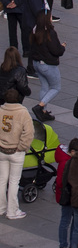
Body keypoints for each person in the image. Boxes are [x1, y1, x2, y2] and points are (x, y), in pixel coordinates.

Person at [0, 87, 33, 219]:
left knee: (2, 180)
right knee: (14, 181)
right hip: (16, 152)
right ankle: (12, 211)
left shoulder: (1, 110)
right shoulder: (22, 112)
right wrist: (22, 146)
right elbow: (29, 132)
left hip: (1, 150)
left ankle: (1, 207)